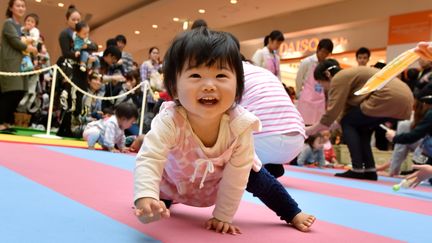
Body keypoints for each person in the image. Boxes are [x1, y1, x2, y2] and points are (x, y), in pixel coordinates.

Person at [134, 28, 315, 235]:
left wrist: (223, 216)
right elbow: (150, 158)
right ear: (174, 88)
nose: (209, 85)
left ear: (238, 87)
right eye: (195, 75)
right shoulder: (169, 120)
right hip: (176, 179)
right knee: (159, 195)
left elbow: (237, 176)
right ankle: (159, 201)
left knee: (256, 173)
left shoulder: (240, 124)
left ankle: (291, 211)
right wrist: (145, 196)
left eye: (221, 75)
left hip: (218, 181)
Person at [306, 59, 413, 180]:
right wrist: (322, 126)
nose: (323, 89)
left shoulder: (339, 77)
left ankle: (357, 169)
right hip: (405, 99)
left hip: (388, 97)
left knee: (348, 122)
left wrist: (309, 130)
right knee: (361, 127)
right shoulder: (350, 77)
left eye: (321, 84)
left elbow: (331, 115)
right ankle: (370, 170)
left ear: (327, 75)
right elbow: (340, 116)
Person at [241, 61, 306, 178]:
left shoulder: (230, 73)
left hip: (262, 141)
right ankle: (270, 165)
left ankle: (255, 167)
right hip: (296, 142)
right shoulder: (266, 73)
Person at [0, 0, 38, 133]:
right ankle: (2, 122)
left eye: (23, 6)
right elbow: (16, 42)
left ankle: (7, 121)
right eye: (18, 5)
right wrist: (30, 48)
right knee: (11, 92)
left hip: (21, 64)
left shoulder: (20, 26)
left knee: (20, 91)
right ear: (11, 8)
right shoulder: (8, 23)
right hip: (10, 63)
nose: (21, 8)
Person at [295, 38, 333, 125]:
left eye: (327, 53)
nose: (324, 55)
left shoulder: (325, 65)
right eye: (323, 51)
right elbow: (299, 79)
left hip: (319, 100)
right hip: (306, 99)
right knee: (305, 125)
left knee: (317, 126)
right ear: (318, 49)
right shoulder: (307, 62)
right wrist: (299, 94)